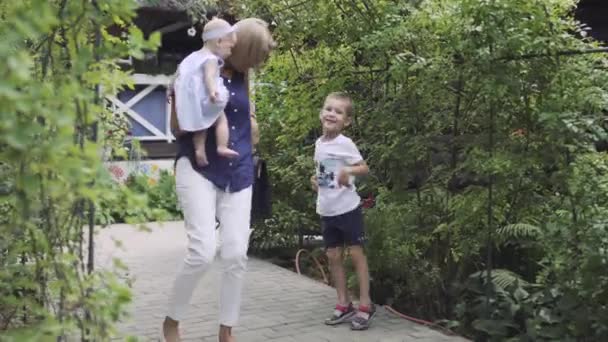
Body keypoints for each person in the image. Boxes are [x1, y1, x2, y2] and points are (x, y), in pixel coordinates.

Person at [163, 17, 275, 342]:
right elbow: (177, 129)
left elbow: (247, 116)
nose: (253, 66)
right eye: (253, 58)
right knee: (202, 251)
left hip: (238, 170)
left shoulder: (243, 74)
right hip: (198, 165)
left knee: (236, 253)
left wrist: (252, 125)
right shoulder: (196, 67)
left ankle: (227, 329)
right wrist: (194, 107)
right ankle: (172, 320)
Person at [311, 92, 376, 330]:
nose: (331, 114)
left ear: (346, 121)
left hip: (347, 209)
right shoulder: (319, 143)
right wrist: (315, 180)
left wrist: (348, 171)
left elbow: (364, 167)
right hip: (327, 210)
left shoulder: (345, 143)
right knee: (333, 257)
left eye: (338, 112)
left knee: (356, 256)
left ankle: (366, 305)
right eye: (329, 109)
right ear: (321, 113)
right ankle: (343, 303)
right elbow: (323, 171)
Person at [173, 18, 239, 167]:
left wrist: (173, 90)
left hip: (193, 99)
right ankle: (222, 146)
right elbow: (210, 77)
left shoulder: (192, 57)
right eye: (230, 48)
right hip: (208, 96)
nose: (230, 53)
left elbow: (179, 75)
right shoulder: (211, 59)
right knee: (221, 119)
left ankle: (199, 150)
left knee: (201, 123)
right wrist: (213, 91)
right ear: (219, 41)